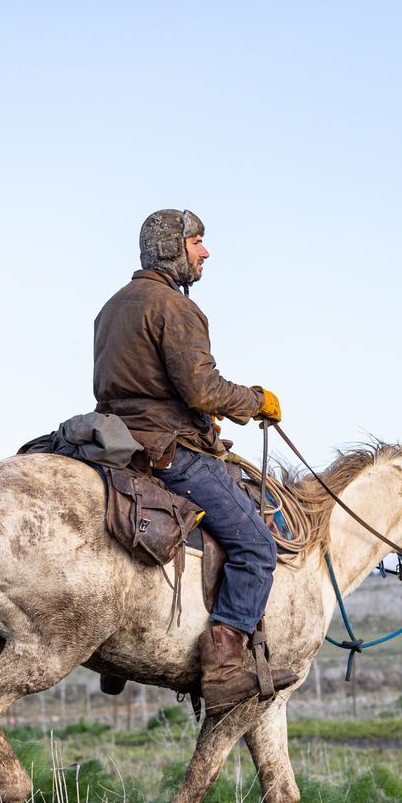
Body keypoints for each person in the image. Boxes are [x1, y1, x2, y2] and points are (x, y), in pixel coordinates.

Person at [93, 208, 292, 714]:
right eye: (198, 242)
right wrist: (255, 401)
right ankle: (224, 669)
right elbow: (202, 388)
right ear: (172, 249)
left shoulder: (112, 307)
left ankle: (114, 659)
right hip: (169, 450)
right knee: (256, 545)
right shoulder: (175, 309)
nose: (205, 253)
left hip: (116, 447)